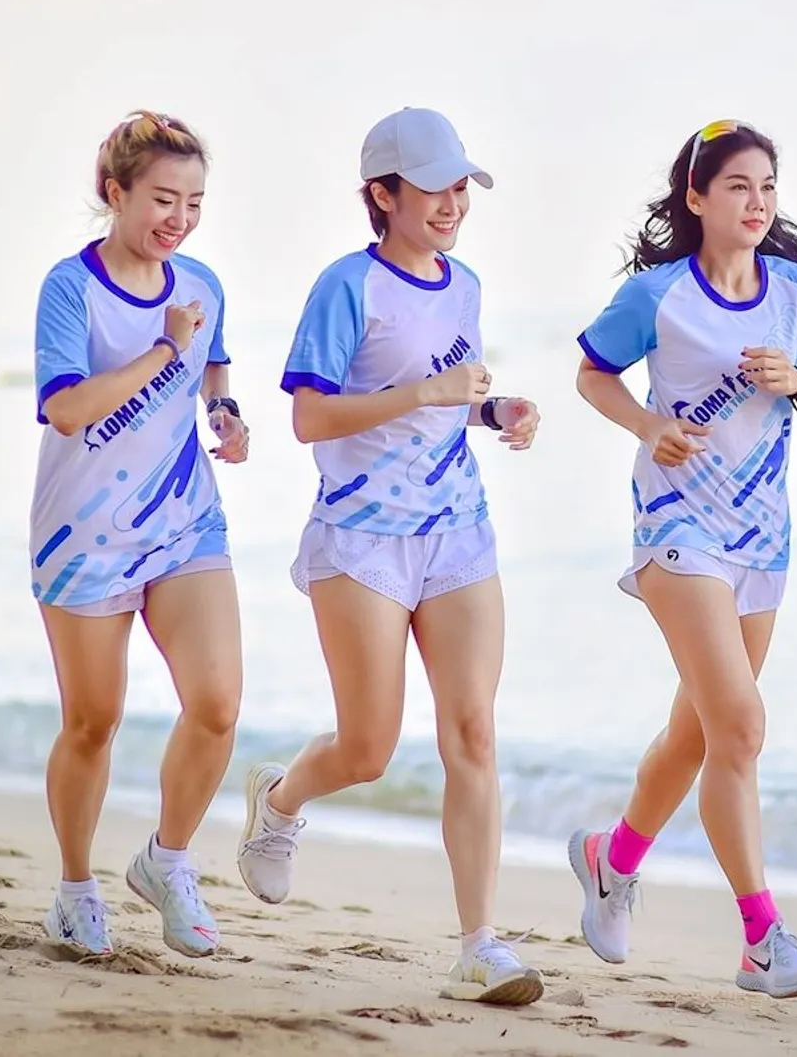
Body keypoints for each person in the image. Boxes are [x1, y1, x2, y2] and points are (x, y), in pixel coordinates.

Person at [235, 107, 545, 1006]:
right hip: (361, 539)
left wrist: (495, 413)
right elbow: (308, 418)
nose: (453, 202)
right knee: (369, 747)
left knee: (473, 732)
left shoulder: (466, 284)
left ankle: (480, 945)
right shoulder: (347, 287)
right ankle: (283, 797)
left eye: (461, 186)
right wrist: (428, 389)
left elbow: (445, 403)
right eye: (435, 186)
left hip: (457, 528)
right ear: (382, 194)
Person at [564, 120, 797, 999]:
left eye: (767, 185)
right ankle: (762, 938)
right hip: (675, 528)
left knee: (699, 732)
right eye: (737, 186)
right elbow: (592, 372)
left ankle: (611, 858)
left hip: (762, 539)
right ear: (697, 198)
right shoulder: (658, 294)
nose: (757, 202)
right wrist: (651, 425)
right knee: (741, 724)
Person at [29, 110, 251, 959]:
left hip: (184, 519)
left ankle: (167, 860)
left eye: (194, 202)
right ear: (114, 192)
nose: (180, 219)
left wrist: (224, 411)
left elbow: (214, 359)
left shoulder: (200, 282)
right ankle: (76, 888)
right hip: (83, 535)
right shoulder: (71, 288)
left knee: (218, 701)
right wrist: (164, 352)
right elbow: (66, 406)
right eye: (164, 198)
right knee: (94, 720)